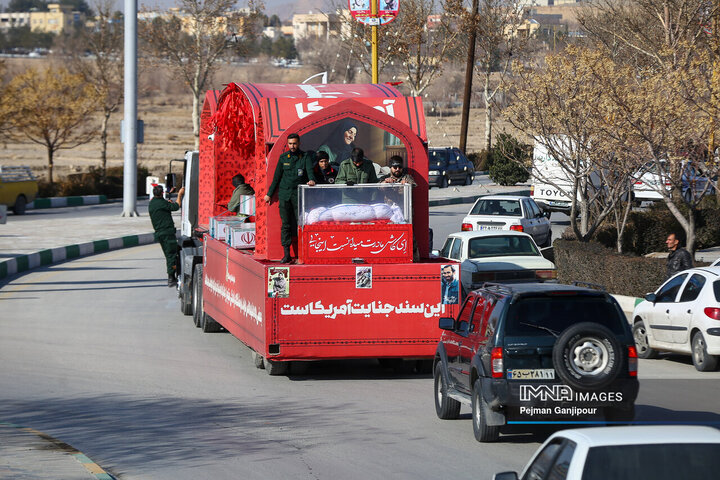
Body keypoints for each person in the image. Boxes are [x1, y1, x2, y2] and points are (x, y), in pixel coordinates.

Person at [263, 133, 316, 263]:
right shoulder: (283, 158)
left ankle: (302, 253)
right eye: (290, 144)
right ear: (288, 144)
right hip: (285, 194)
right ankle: (286, 254)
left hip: (298, 195)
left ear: (299, 143)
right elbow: (276, 177)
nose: (292, 146)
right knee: (286, 224)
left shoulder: (305, 157)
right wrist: (269, 194)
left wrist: (312, 181)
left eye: (295, 143)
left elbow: (310, 174)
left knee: (300, 223)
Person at [149, 185, 185, 287]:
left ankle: (172, 275)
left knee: (169, 254)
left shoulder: (153, 203)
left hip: (160, 234)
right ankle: (171, 278)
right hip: (167, 233)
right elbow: (176, 206)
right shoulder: (162, 203)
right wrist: (180, 194)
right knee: (171, 255)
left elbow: (164, 207)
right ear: (161, 193)